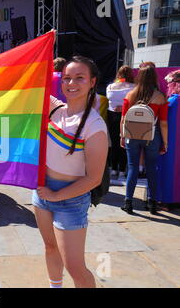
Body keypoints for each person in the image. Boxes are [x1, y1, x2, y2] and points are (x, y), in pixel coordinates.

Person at [33, 56, 108, 288]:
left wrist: (56, 196)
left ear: (92, 82)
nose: (71, 83)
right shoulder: (55, 109)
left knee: (76, 268)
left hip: (71, 201)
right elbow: (31, 84)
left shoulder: (95, 126)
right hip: (42, 193)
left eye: (79, 78)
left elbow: (94, 178)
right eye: (66, 78)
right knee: (50, 247)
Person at [120, 64, 168, 215]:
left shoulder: (130, 95)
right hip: (152, 136)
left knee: (133, 167)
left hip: (132, 135)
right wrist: (165, 142)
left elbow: (123, 119)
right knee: (151, 168)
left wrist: (122, 136)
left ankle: (128, 203)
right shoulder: (160, 97)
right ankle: (153, 203)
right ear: (154, 77)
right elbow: (163, 123)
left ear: (138, 77)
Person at [106, 66, 135, 184]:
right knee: (124, 141)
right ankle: (122, 170)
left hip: (112, 115)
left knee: (113, 142)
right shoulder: (133, 87)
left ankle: (113, 169)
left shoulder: (110, 86)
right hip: (128, 115)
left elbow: (110, 99)